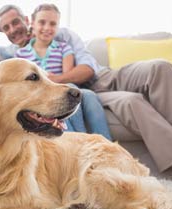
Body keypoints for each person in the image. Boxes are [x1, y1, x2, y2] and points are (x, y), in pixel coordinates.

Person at [0, 4, 172, 193]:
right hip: (94, 94)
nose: (13, 30)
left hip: (106, 76)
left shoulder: (61, 35)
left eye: (15, 23)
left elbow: (86, 68)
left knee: (160, 68)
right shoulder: (13, 54)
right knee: (132, 104)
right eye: (5, 27)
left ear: (27, 20)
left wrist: (57, 79)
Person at [14, 4, 112, 140]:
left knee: (88, 94)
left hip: (63, 88)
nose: (47, 28)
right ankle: (78, 141)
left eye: (53, 24)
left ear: (58, 26)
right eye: (42, 22)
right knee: (73, 92)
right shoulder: (21, 54)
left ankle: (106, 143)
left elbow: (67, 78)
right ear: (32, 23)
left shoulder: (63, 48)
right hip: (41, 94)